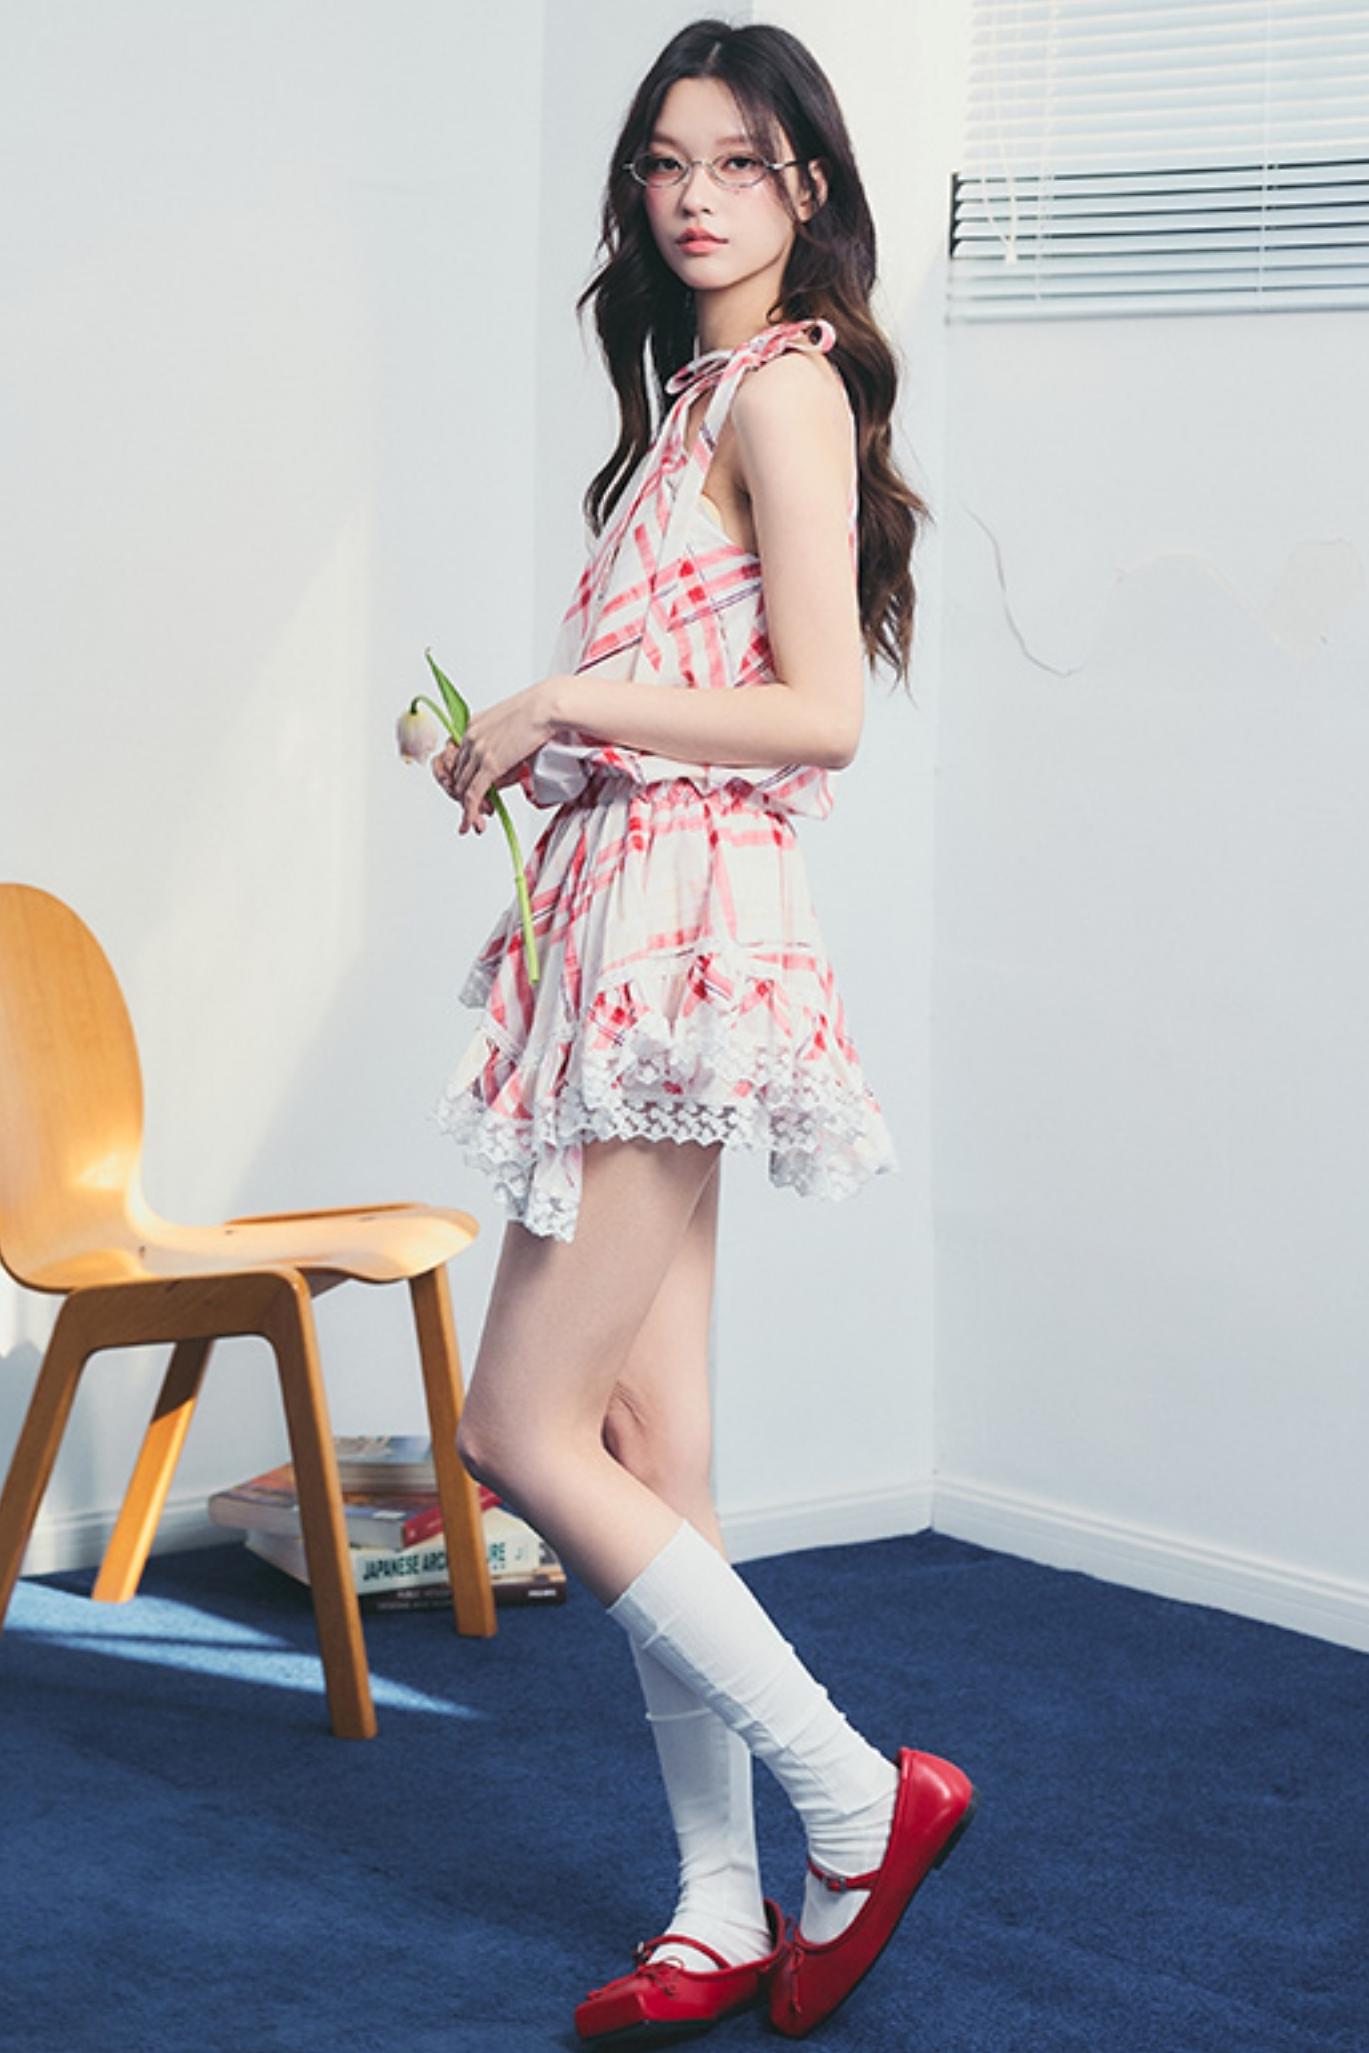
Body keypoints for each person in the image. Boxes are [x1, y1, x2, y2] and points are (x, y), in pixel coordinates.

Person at [426, 18, 977, 2043]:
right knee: (651, 1446)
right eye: (665, 161)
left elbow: (816, 717)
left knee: (515, 1428)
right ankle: (720, 1903)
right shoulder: (686, 406)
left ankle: (851, 1794)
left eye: (737, 162)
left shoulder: (787, 391)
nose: (692, 196)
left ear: (805, 188)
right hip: (629, 925)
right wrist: (517, 745)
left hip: (683, 955)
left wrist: (563, 700)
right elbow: (695, 702)